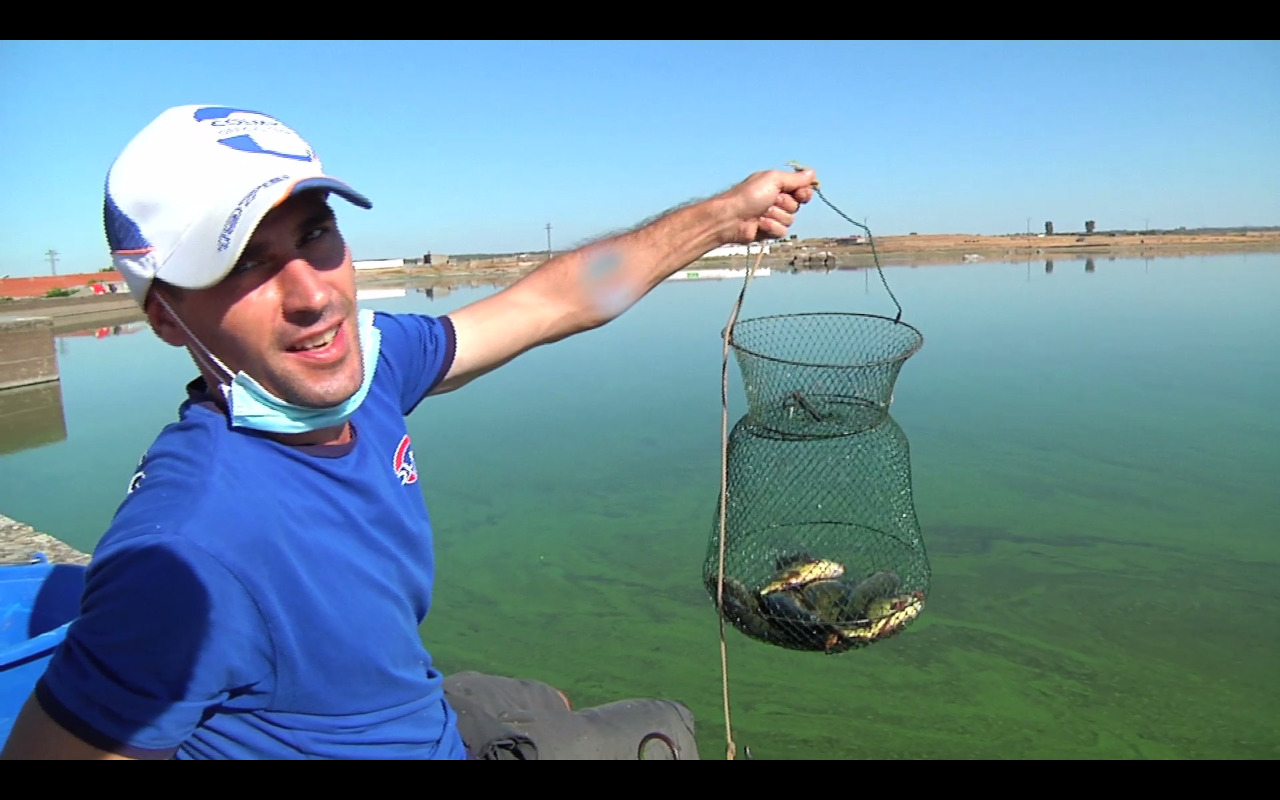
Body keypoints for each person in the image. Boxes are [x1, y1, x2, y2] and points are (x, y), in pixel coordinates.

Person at [0, 105, 816, 760]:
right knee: (666, 727)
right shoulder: (190, 552)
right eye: (246, 263)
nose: (314, 296)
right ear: (167, 318)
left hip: (412, 703)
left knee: (546, 701)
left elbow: (555, 300)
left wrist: (718, 219)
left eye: (315, 234)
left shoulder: (373, 368)